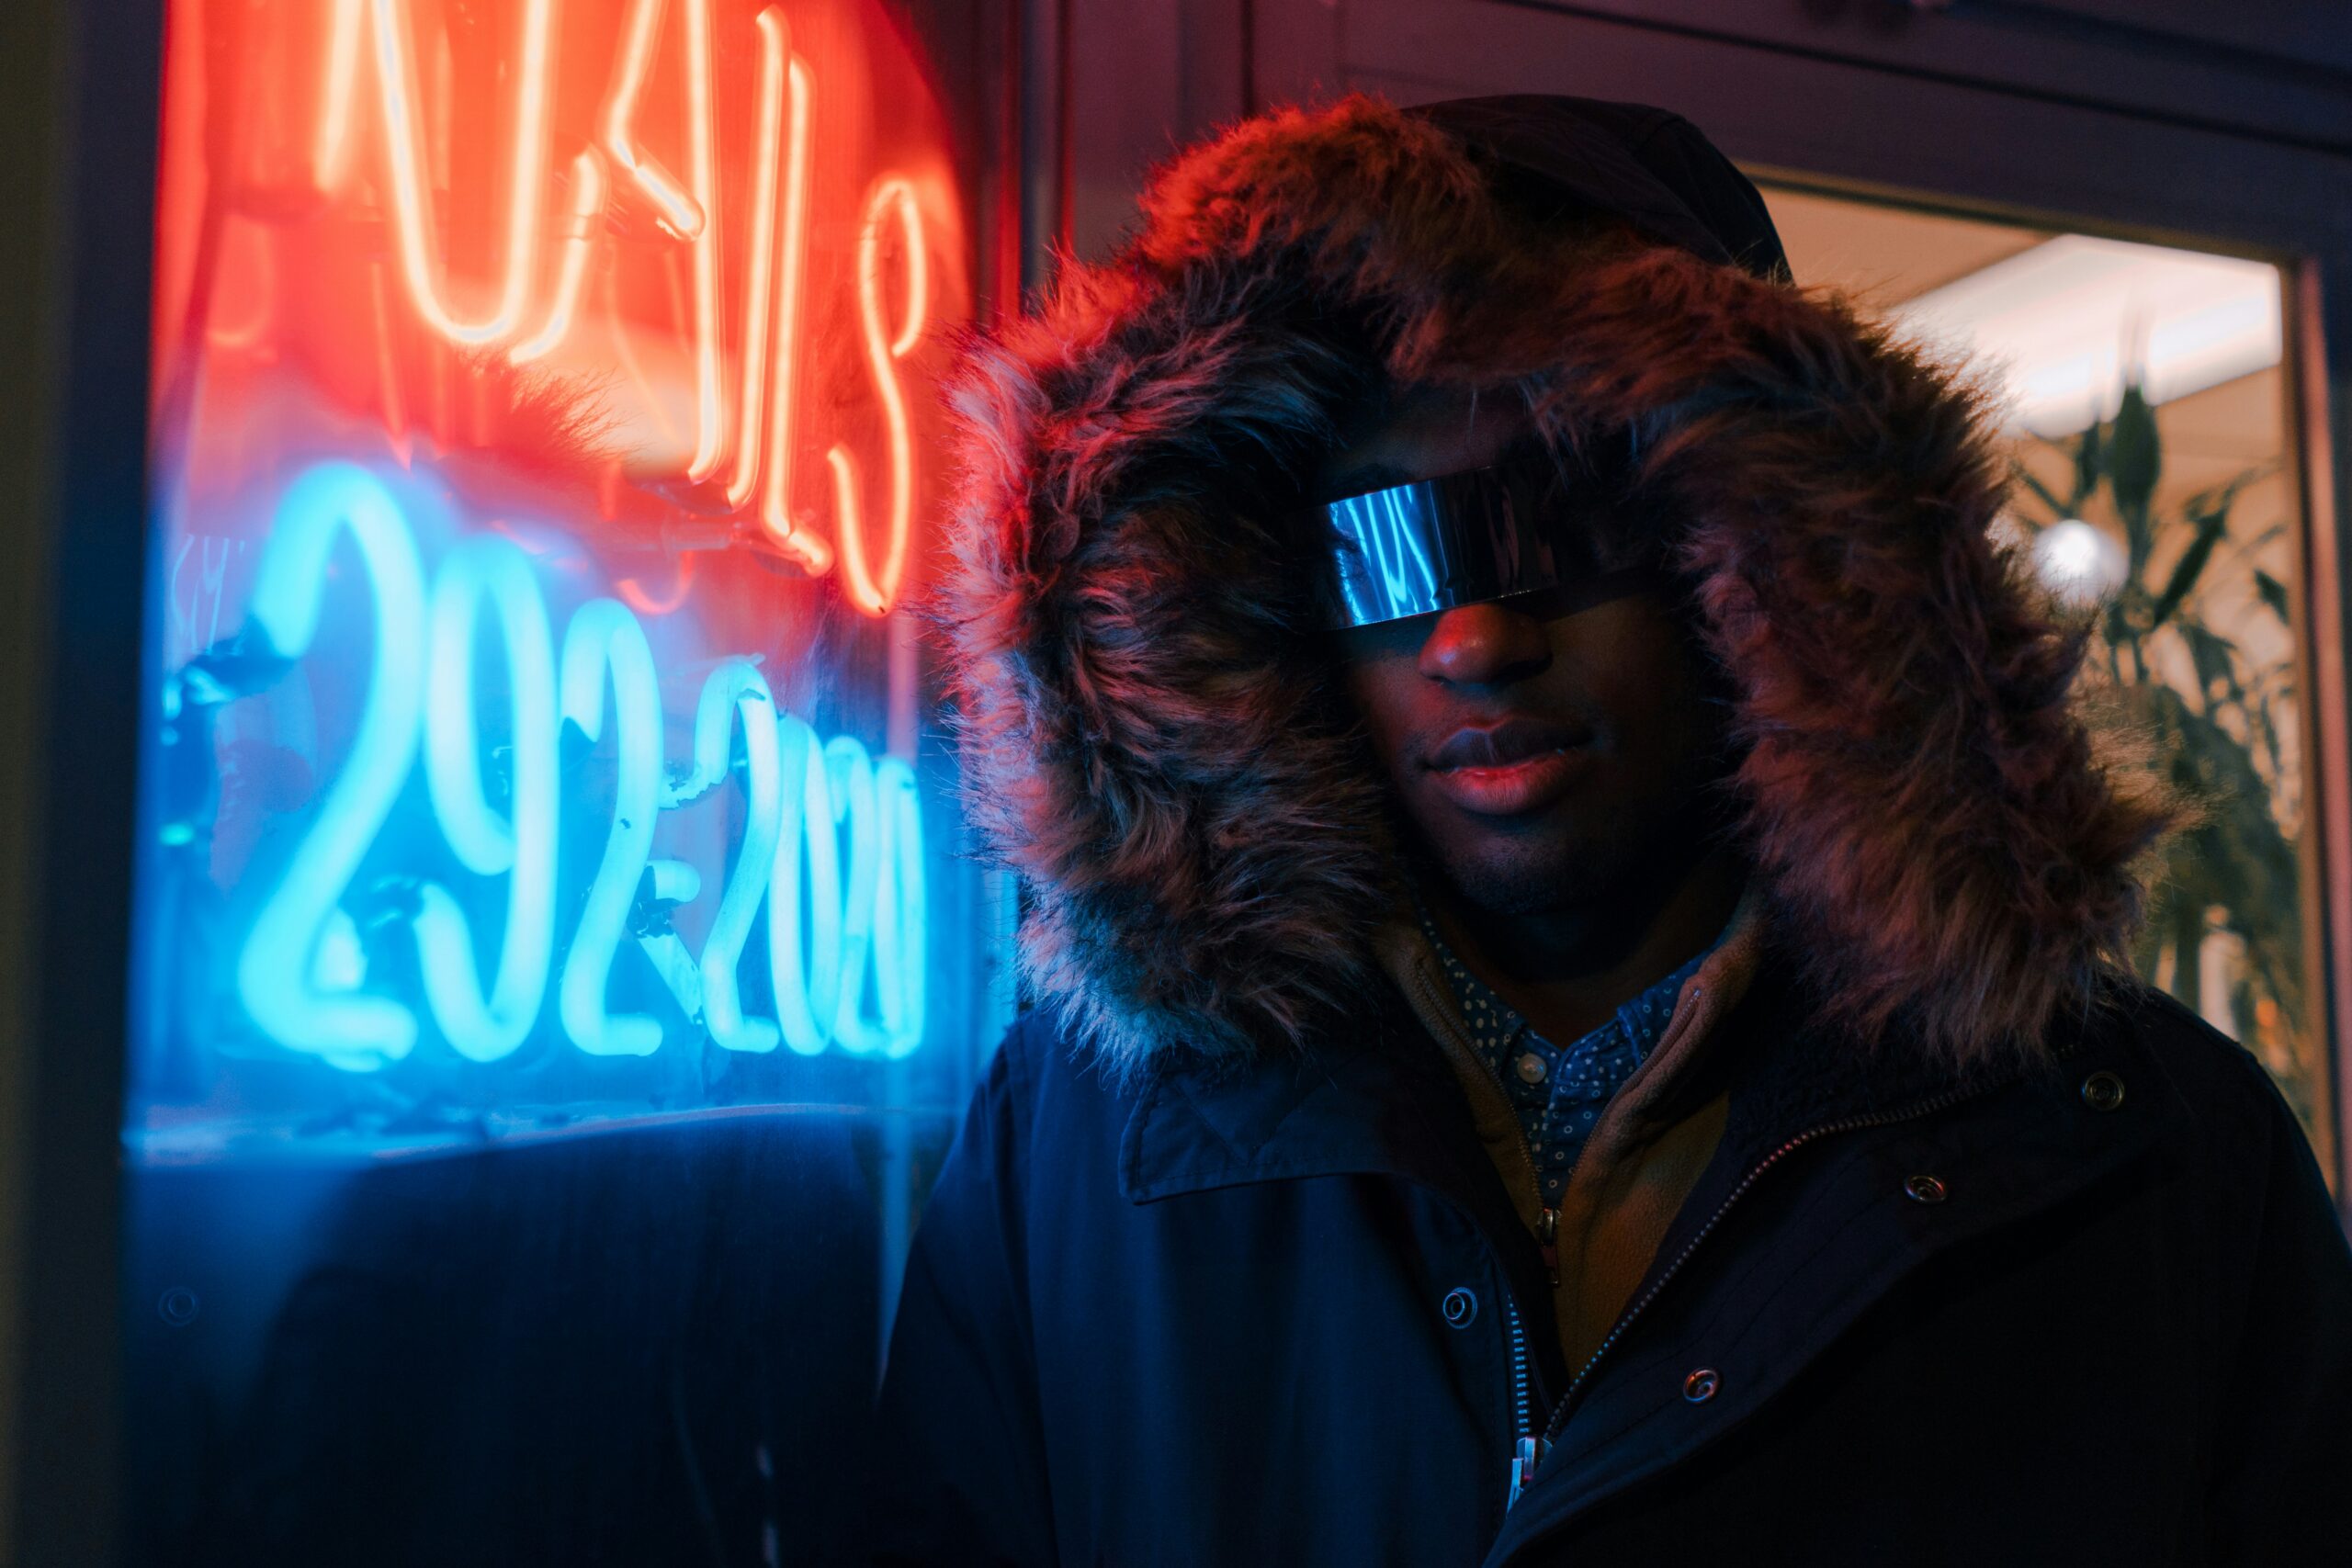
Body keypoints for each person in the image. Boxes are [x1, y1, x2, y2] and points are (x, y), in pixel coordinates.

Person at [865, 95, 2352, 1565]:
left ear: (1753, 556)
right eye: (1382, 550)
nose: (1472, 637)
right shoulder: (1087, 1143)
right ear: (1262, 611)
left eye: (1558, 519)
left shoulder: (2147, 1157)